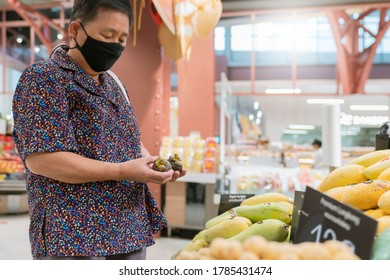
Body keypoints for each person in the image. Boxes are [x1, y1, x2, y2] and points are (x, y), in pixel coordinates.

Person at [12, 0, 186, 260]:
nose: (115, 44)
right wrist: (122, 171)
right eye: (107, 35)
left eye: (122, 38)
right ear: (75, 31)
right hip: (74, 236)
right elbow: (43, 160)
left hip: (128, 229)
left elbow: (127, 141)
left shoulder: (114, 84)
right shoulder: (44, 78)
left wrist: (153, 166)